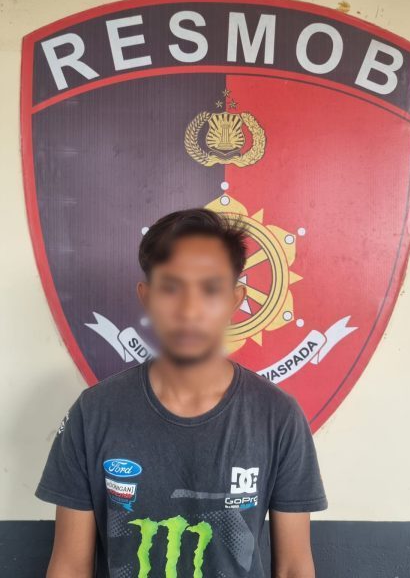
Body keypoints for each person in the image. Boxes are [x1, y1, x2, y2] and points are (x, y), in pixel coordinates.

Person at [36, 208, 327, 578]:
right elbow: (69, 566)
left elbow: (293, 567)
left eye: (210, 289)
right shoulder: (93, 413)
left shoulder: (278, 416)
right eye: (171, 288)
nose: (190, 310)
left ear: (236, 299)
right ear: (146, 297)